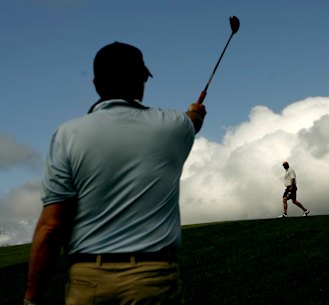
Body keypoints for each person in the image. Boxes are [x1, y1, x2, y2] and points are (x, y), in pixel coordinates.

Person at [23, 42, 207, 305]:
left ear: (96, 84)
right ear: (142, 78)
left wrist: (31, 298)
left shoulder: (67, 134)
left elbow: (52, 225)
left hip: (88, 281)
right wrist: (195, 112)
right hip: (153, 280)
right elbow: (193, 121)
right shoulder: (175, 125)